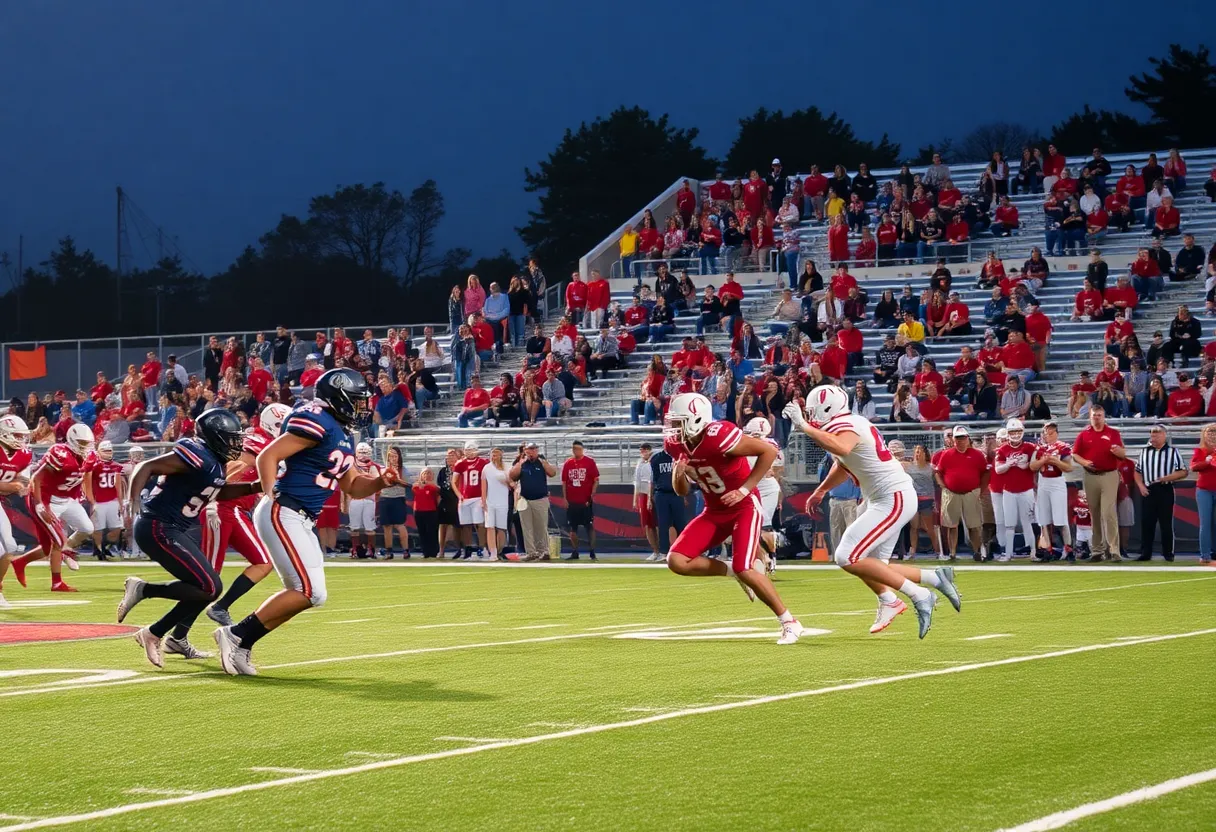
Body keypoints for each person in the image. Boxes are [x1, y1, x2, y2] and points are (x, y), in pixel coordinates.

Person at [210, 368, 399, 676]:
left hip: (300, 517)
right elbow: (266, 456)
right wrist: (271, 495)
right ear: (338, 397)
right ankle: (235, 635)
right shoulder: (316, 419)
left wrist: (379, 483)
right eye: (355, 400)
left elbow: (352, 486)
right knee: (307, 589)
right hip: (285, 509)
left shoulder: (341, 433)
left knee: (313, 594)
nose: (361, 407)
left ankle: (240, 640)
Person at [786, 388, 960, 638]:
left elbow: (842, 448)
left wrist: (803, 425)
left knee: (847, 556)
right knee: (875, 565)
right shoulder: (847, 424)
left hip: (892, 497)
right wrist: (821, 491)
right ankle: (932, 579)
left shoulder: (846, 426)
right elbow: (844, 463)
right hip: (882, 496)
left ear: (827, 408)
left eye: (812, 411)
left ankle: (917, 594)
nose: (810, 416)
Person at [116, 409, 257, 666]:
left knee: (206, 590)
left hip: (173, 528)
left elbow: (215, 491)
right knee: (210, 587)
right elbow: (147, 466)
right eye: (232, 438)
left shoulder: (214, 461)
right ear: (215, 437)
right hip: (157, 526)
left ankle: (154, 632)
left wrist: (253, 487)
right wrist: (132, 498)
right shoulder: (197, 455)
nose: (238, 444)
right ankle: (144, 592)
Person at [662, 393, 804, 644]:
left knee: (745, 567)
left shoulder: (719, 435)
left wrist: (744, 489)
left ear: (695, 419)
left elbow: (767, 451)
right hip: (713, 510)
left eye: (679, 421)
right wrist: (679, 473)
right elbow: (682, 491)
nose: (673, 428)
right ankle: (730, 571)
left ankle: (790, 622)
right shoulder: (676, 445)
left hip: (744, 507)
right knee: (676, 560)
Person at [3, 423, 94, 592]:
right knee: (58, 541)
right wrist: (40, 505)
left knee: (86, 528)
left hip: (67, 500)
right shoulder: (60, 453)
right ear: (72, 440)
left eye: (86, 443)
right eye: (81, 442)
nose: (84, 447)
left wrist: (84, 497)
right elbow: (36, 478)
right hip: (47, 500)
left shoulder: (90, 457)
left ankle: (21, 561)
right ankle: (57, 580)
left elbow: (82, 476)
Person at [1070, 406, 1126, 563]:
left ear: (1104, 416)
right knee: (1094, 513)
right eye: (1094, 415)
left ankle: (1114, 550)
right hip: (1090, 475)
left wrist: (1117, 452)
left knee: (1108, 512)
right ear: (1090, 416)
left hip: (1109, 474)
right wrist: (1084, 462)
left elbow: (1123, 454)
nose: (1097, 418)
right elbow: (1075, 454)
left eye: (1100, 415)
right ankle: (1097, 550)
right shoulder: (1084, 434)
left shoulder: (1112, 433)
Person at [1133, 424, 1187, 562]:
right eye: (1152, 434)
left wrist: (1167, 478)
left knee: (1165, 522)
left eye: (1157, 434)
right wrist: (1140, 486)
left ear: (1164, 436)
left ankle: (1168, 553)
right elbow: (1137, 471)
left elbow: (1183, 471)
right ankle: (1146, 553)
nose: (1154, 437)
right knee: (1147, 522)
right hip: (1148, 489)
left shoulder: (1173, 451)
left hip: (1165, 488)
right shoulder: (1144, 451)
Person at [0, 416, 33, 607]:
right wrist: (12, 486)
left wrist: (16, 485)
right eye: (17, 435)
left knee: (9, 547)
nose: (21, 439)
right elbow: (14, 485)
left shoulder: (24, 455)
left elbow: (22, 482)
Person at [1029, 422, 1074, 561]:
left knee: (1061, 519)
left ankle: (1068, 548)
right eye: (1046, 432)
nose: (1048, 434)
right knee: (1044, 519)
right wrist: (1043, 461)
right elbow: (1032, 466)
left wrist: (1056, 462)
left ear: (1057, 433)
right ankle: (1048, 549)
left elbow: (1069, 467)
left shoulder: (1063, 447)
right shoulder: (1039, 448)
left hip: (1057, 482)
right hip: (1043, 482)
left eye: (1051, 432)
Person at [510, 442, 557, 562]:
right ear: (525, 450)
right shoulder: (521, 462)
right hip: (525, 498)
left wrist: (544, 463)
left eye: (533, 449)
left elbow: (552, 473)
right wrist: (521, 463)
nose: (531, 452)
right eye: (529, 449)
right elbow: (512, 476)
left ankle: (544, 551)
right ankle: (531, 552)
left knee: (541, 526)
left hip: (540, 498)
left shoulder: (541, 461)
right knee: (527, 527)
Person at [87, 440, 126, 561]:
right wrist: (92, 501)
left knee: (117, 531)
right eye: (105, 451)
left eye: (110, 450)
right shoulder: (94, 466)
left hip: (112, 501)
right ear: (99, 452)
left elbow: (118, 486)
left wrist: (120, 502)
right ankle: (99, 551)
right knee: (98, 529)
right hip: (98, 501)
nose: (108, 453)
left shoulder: (116, 466)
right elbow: (86, 482)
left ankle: (101, 546)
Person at [561, 441, 599, 561]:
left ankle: (592, 551)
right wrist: (565, 498)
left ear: (582, 449)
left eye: (578, 449)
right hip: (572, 501)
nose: (576, 451)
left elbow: (596, 480)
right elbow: (564, 482)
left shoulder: (589, 462)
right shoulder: (568, 463)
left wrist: (591, 495)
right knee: (572, 528)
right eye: (574, 449)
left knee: (589, 526)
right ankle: (575, 551)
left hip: (585, 501)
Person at [482, 447, 515, 562]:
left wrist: (507, 482)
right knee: (490, 527)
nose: (494, 457)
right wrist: (483, 501)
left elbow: (512, 484)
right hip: (490, 501)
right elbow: (484, 486)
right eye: (492, 454)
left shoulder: (507, 467)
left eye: (496, 455)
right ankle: (493, 552)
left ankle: (499, 550)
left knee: (501, 528)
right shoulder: (486, 468)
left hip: (503, 501)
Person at [1190, 424, 1216, 565]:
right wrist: (1206, 461)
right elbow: (1193, 467)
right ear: (1204, 435)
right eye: (1209, 432)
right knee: (1205, 523)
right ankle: (1205, 555)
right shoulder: (1200, 451)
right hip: (1204, 489)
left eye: (1214, 432)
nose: (1212, 435)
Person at [634, 444, 660, 562]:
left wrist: (651, 497)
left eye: (644, 450)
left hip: (654, 494)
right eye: (641, 450)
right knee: (648, 525)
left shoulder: (654, 461)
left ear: (650, 450)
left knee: (658, 524)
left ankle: (663, 549)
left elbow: (652, 481)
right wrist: (636, 499)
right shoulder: (639, 463)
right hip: (643, 494)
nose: (643, 452)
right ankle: (655, 551)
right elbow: (637, 482)